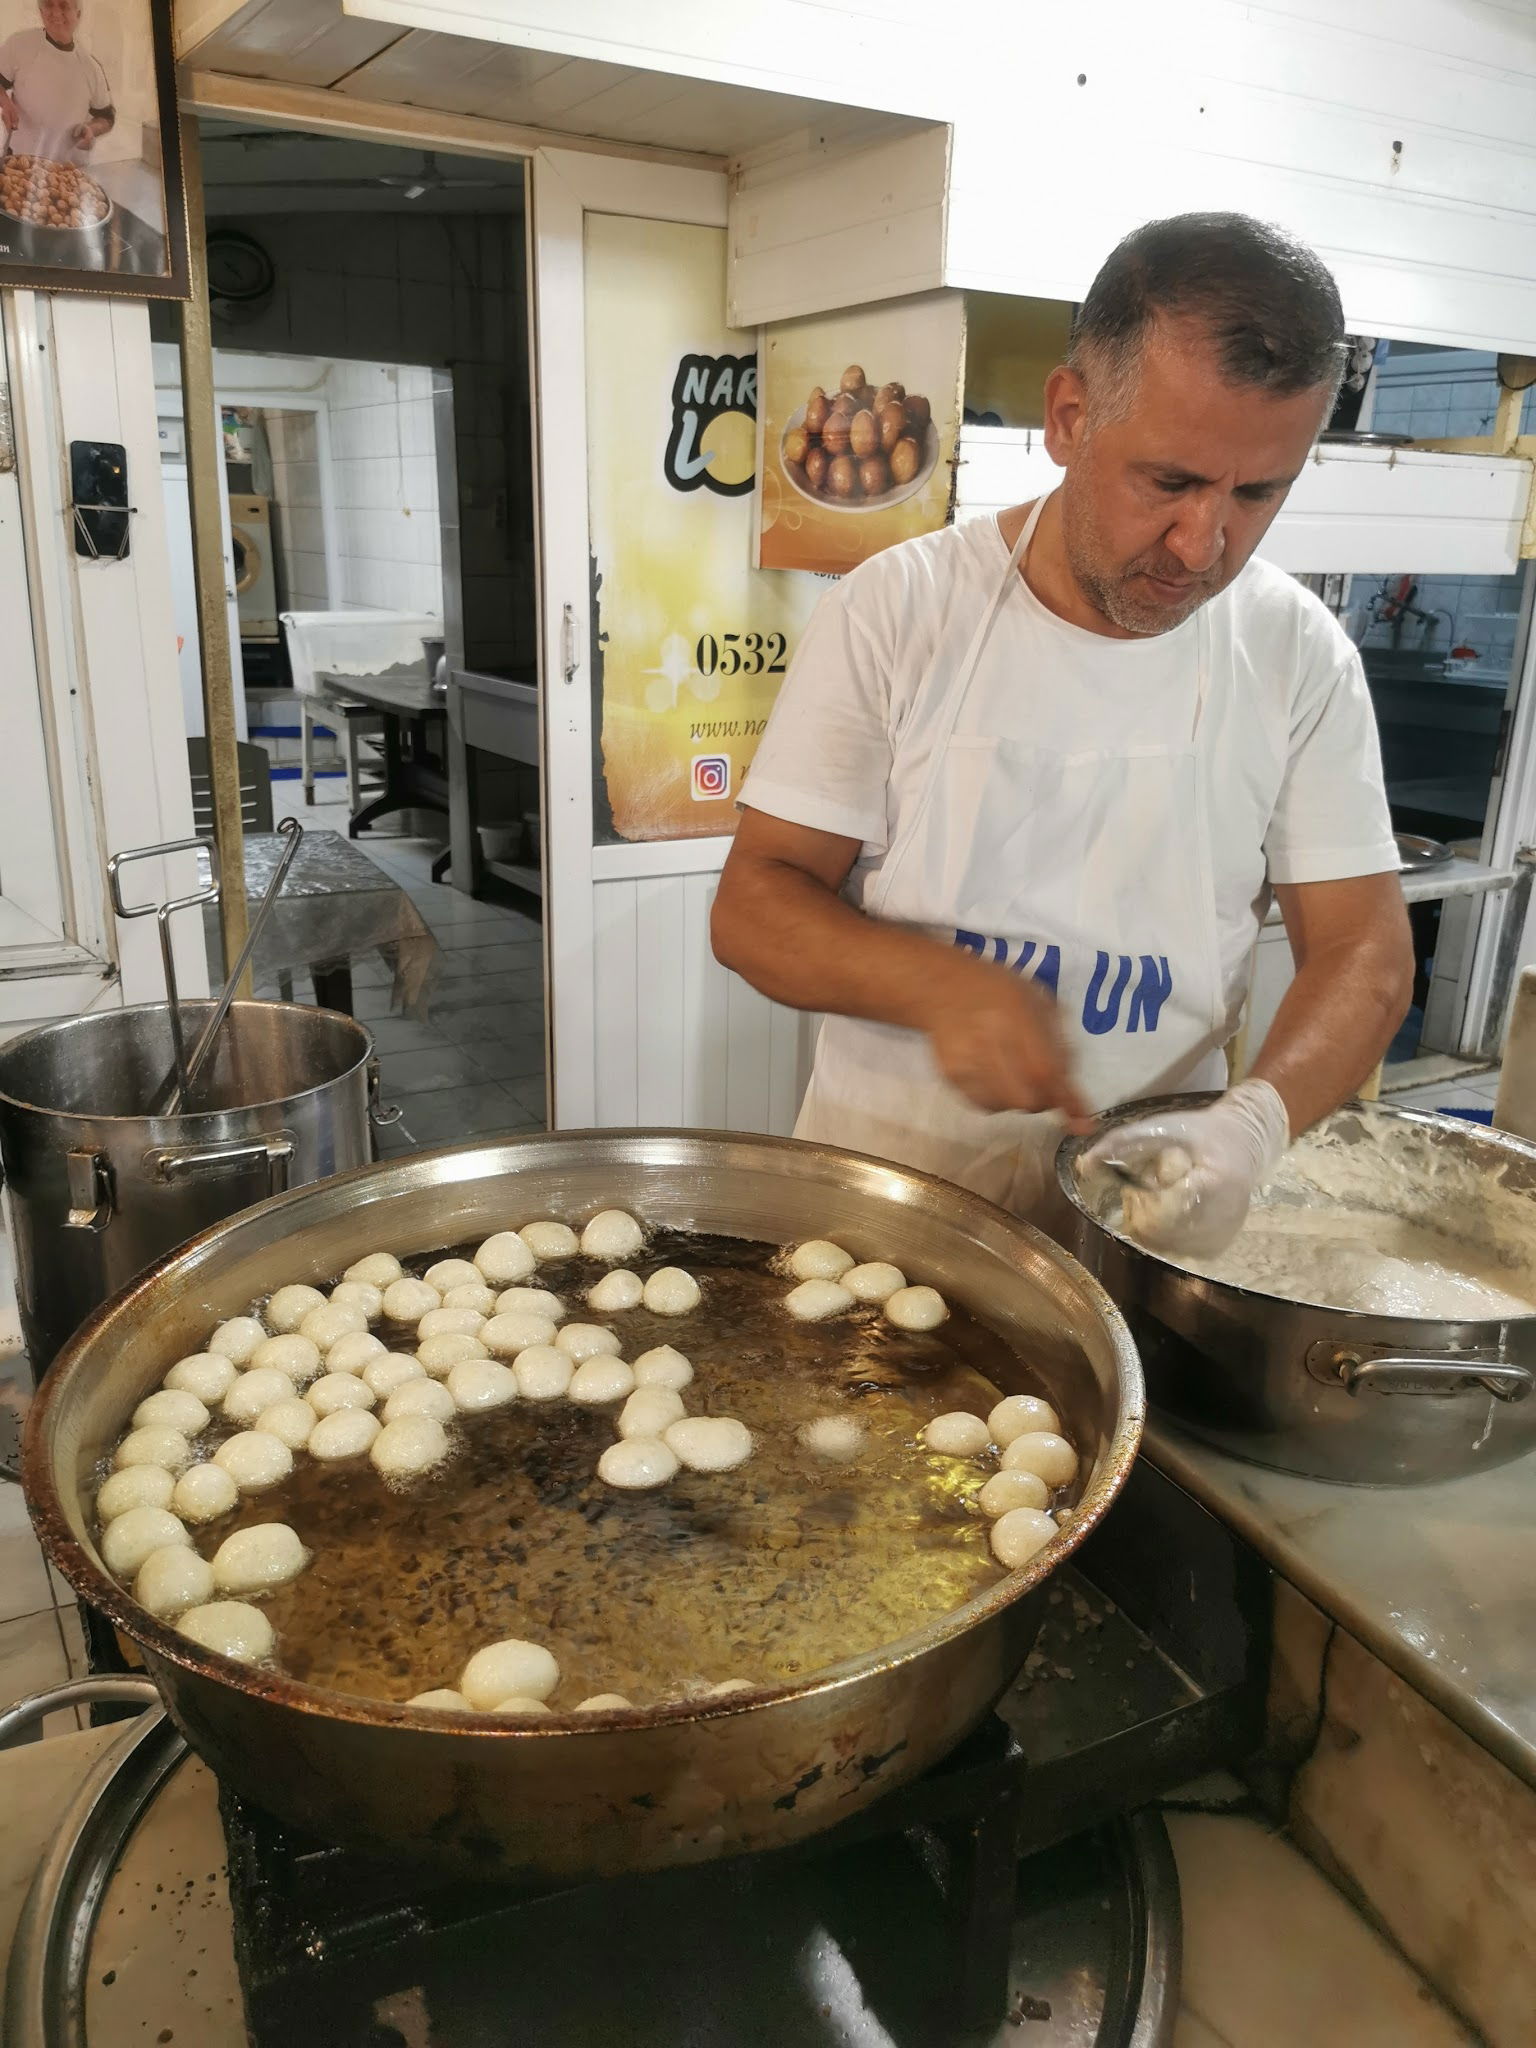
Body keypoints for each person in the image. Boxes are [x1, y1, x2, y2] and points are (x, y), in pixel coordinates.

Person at [712, 213, 1413, 1256]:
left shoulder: (1297, 655)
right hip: (887, 1210)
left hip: (1144, 1227)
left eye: (1258, 492)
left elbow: (1366, 951)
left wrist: (1252, 1125)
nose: (1202, 542)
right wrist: (937, 983)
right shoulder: (898, 610)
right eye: (1169, 481)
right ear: (1071, 414)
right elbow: (754, 906)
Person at [0, 0, 114, 166]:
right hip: (20, 162)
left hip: (68, 170)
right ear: (41, 12)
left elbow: (106, 117)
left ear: (78, 14)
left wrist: (91, 129)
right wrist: (6, 103)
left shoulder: (92, 67)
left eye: (64, 5)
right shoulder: (19, 44)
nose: (55, 12)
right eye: (48, 4)